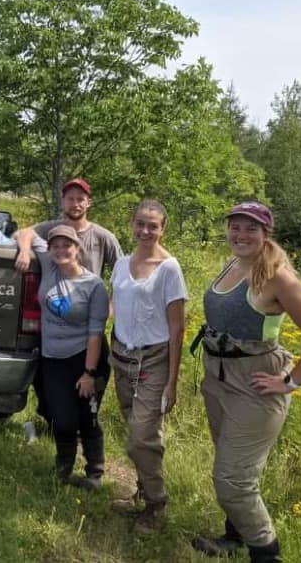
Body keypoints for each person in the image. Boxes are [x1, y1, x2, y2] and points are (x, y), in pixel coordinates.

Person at [191, 202, 301, 563]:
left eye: (250, 228)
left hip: (254, 385)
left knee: (232, 480)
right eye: (235, 227)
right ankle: (233, 536)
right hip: (219, 379)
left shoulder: (277, 276)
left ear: (265, 233)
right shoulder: (233, 264)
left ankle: (266, 552)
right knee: (230, 467)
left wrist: (291, 381)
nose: (240, 234)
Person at [15, 178, 122, 447]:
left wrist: (111, 304)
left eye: (80, 198)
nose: (75, 203)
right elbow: (24, 232)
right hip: (53, 325)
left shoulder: (103, 236)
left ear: (89, 202)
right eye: (70, 198)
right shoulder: (53, 229)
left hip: (89, 326)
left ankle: (89, 449)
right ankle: (58, 428)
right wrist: (25, 252)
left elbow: (122, 275)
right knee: (49, 386)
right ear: (63, 201)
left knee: (89, 389)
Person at [109, 200, 187, 533]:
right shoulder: (122, 264)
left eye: (152, 225)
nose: (145, 231)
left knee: (142, 436)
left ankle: (156, 504)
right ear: (132, 223)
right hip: (121, 357)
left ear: (162, 228)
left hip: (153, 359)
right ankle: (143, 493)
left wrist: (172, 380)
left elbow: (177, 327)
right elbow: (117, 304)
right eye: (140, 223)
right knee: (134, 428)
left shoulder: (169, 268)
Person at [13, 224, 110, 487]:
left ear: (77, 249)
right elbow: (25, 232)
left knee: (86, 417)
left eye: (66, 245)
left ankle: (95, 472)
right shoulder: (49, 262)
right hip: (53, 359)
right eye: (55, 245)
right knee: (61, 418)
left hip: (86, 358)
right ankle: (63, 469)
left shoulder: (94, 286)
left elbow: (95, 333)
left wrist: (88, 374)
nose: (60, 250)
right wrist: (24, 251)